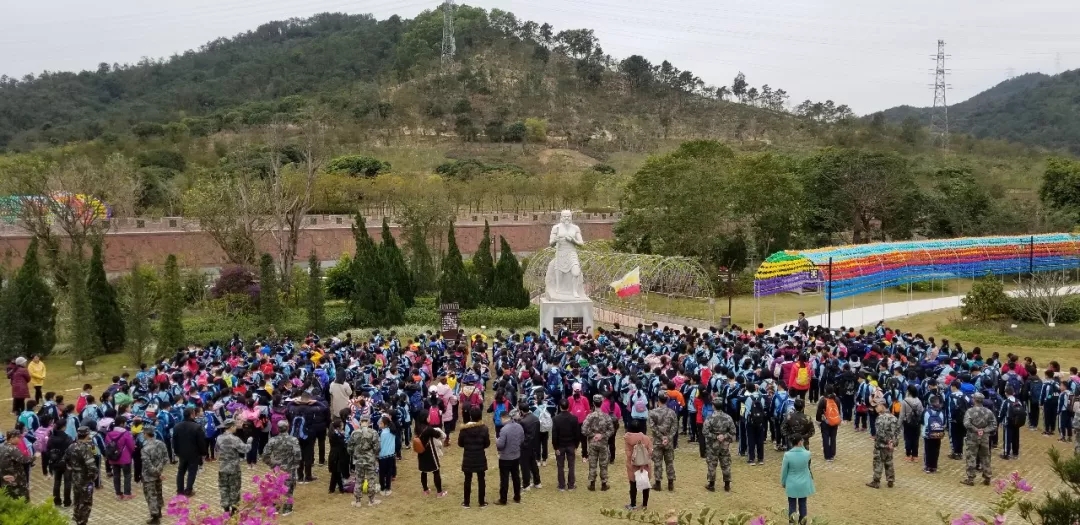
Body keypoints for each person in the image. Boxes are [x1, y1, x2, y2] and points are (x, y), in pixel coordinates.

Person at [264, 420, 301, 515]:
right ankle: (287, 509)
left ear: (278, 429)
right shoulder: (293, 440)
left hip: (277, 469)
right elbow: (298, 455)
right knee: (289, 489)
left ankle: (275, 508)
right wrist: (296, 465)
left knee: (276, 487)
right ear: (288, 428)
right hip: (289, 468)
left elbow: (265, 456)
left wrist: (272, 464)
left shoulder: (272, 440)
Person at [215, 418, 253, 511]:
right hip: (233, 468)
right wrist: (249, 442)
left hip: (222, 467)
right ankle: (234, 509)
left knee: (223, 487)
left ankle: (226, 509)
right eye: (235, 426)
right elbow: (245, 449)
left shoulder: (219, 438)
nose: (236, 427)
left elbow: (216, 451)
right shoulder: (234, 439)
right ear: (231, 427)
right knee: (234, 488)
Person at [458, 406, 491, 508]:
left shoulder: (464, 430)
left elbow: (460, 443)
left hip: (468, 457)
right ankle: (481, 502)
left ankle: (466, 502)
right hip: (480, 457)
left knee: (467, 480)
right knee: (481, 479)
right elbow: (487, 444)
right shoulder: (484, 428)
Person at [961, 392, 996, 486]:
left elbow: (966, 424)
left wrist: (976, 429)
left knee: (971, 456)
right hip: (984, 437)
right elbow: (994, 425)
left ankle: (971, 478)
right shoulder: (988, 412)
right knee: (985, 457)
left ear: (974, 400)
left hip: (972, 437)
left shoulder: (970, 411)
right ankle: (987, 477)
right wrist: (984, 430)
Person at [702, 397, 736, 492]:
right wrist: (724, 436)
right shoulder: (728, 418)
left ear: (713, 406)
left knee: (712, 464)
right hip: (724, 445)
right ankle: (727, 485)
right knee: (726, 464)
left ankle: (711, 484)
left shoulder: (710, 418)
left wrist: (714, 436)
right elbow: (733, 432)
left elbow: (704, 432)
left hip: (712, 446)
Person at [66, 426, 98, 525]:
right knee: (86, 502)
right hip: (85, 479)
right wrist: (93, 477)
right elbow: (92, 466)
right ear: (87, 434)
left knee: (77, 499)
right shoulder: (85, 448)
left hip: (75, 477)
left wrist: (73, 469)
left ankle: (77, 519)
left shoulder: (71, 446)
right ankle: (82, 522)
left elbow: (66, 460)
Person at [781, 435, 815, 524]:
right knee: (803, 505)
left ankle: (792, 523)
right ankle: (802, 522)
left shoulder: (787, 455)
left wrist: (783, 482)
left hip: (791, 483)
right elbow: (804, 451)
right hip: (803, 483)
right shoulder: (807, 454)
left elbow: (784, 471)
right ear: (800, 442)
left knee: (792, 505)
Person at [583, 394, 614, 491]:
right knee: (603, 463)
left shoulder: (590, 416)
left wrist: (593, 435)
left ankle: (592, 484)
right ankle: (604, 484)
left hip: (592, 443)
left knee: (592, 463)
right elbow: (611, 430)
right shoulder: (606, 416)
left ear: (593, 403)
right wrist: (602, 435)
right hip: (603, 443)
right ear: (602, 403)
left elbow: (584, 430)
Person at [347, 418, 381, 508]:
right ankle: (371, 500)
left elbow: (349, 448)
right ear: (368, 422)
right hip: (370, 459)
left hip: (358, 460)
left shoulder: (354, 433)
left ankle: (357, 501)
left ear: (360, 422)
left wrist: (355, 454)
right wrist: (374, 455)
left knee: (358, 480)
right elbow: (377, 447)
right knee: (371, 480)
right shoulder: (373, 432)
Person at [173, 407, 207, 496]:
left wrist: (176, 452)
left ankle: (180, 490)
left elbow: (174, 441)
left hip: (182, 453)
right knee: (192, 472)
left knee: (181, 471)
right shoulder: (196, 427)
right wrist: (203, 453)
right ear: (192, 415)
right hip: (193, 453)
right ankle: (188, 490)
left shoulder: (177, 426)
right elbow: (201, 442)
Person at [648, 391, 678, 491]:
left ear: (658, 400)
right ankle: (670, 483)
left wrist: (661, 437)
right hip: (668, 442)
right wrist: (668, 438)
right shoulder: (672, 412)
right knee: (669, 462)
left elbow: (653, 427)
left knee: (657, 462)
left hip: (657, 441)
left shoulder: (653, 412)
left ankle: (658, 483)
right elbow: (675, 427)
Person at [867, 400, 899, 489]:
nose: (875, 408)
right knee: (889, 462)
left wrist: (887, 441)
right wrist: (893, 443)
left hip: (881, 445)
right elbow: (897, 433)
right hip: (890, 446)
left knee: (878, 462)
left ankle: (876, 481)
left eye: (877, 406)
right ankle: (890, 480)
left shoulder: (880, 418)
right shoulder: (894, 418)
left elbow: (880, 433)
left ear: (882, 406)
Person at [140, 425, 168, 524]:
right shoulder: (161, 443)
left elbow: (147, 465)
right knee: (159, 493)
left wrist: (156, 473)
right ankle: (159, 512)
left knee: (151, 496)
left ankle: (155, 517)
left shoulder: (145, 448)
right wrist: (159, 471)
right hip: (158, 474)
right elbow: (165, 459)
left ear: (146, 434)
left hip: (149, 477)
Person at [496, 409, 524, 505]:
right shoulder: (519, 426)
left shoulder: (504, 430)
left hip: (505, 458)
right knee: (516, 477)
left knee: (504, 479)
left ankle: (503, 499)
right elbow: (521, 440)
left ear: (503, 418)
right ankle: (517, 496)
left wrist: (497, 441)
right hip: (516, 456)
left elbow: (500, 445)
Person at [624, 418, 653, 512]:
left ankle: (633, 504)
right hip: (645, 465)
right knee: (645, 484)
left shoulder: (627, 439)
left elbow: (628, 454)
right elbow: (650, 451)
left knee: (633, 484)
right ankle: (645, 504)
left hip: (632, 465)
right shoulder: (646, 438)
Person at [551, 398, 581, 491]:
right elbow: (577, 434)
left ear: (560, 407)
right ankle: (571, 485)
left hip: (560, 446)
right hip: (571, 445)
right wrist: (576, 446)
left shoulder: (556, 419)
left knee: (560, 466)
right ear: (569, 406)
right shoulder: (574, 418)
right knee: (571, 465)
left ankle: (561, 485)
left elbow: (554, 435)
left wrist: (555, 447)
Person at [106, 419, 136, 499]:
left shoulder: (109, 434)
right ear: (122, 424)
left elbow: (107, 445)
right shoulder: (126, 433)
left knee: (116, 475)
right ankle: (127, 493)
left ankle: (118, 494)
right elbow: (131, 446)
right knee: (127, 475)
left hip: (113, 458)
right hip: (124, 457)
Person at [415, 418, 447, 497]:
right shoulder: (429, 429)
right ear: (425, 418)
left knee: (423, 471)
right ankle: (439, 492)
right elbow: (438, 435)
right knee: (436, 471)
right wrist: (437, 429)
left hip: (421, 452)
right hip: (430, 453)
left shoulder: (417, 427)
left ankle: (425, 490)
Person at [0, 428, 33, 500]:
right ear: (12, 438)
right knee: (21, 500)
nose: (20, 439)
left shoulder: (1, 446)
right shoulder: (12, 449)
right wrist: (35, 457)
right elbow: (24, 460)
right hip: (16, 481)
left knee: (8, 499)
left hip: (4, 480)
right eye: (18, 437)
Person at [46, 420, 74, 507]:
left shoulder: (51, 438)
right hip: (66, 463)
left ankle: (57, 501)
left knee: (57, 482)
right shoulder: (68, 438)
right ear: (63, 427)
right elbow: (71, 451)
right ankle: (67, 501)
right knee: (67, 482)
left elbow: (47, 451)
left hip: (55, 463)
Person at [518, 402, 542, 491]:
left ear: (521, 411)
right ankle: (537, 482)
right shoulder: (535, 418)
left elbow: (520, 434)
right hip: (534, 445)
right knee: (533, 464)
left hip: (525, 446)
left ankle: (526, 484)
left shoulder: (522, 421)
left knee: (525, 466)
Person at [899, 385, 925, 462]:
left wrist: (898, 424)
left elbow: (902, 414)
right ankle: (915, 455)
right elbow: (921, 412)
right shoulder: (918, 401)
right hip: (916, 423)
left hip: (907, 422)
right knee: (916, 439)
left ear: (909, 392)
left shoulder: (905, 401)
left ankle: (908, 455)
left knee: (907, 438)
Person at [815, 386, 841, 461]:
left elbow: (819, 412)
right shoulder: (837, 399)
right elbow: (838, 410)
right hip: (835, 421)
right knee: (833, 438)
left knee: (825, 438)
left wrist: (818, 421)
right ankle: (832, 454)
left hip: (825, 422)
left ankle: (827, 456)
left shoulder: (823, 400)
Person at [923, 396, 946, 474]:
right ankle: (934, 467)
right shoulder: (941, 412)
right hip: (938, 434)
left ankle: (928, 467)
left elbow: (925, 423)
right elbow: (943, 423)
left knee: (928, 450)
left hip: (928, 435)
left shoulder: (927, 412)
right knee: (936, 450)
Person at [327, 421, 351, 494]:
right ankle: (340, 489)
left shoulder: (335, 433)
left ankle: (332, 489)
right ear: (338, 427)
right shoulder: (337, 435)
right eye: (342, 425)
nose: (343, 426)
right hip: (336, 455)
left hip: (335, 454)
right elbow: (342, 444)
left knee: (336, 472)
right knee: (336, 472)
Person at [377, 415, 397, 496]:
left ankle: (382, 488)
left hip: (382, 455)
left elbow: (378, 445)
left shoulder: (382, 433)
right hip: (391, 455)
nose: (379, 425)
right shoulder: (392, 431)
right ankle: (388, 488)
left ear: (385, 424)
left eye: (381, 423)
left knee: (382, 473)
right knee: (389, 472)